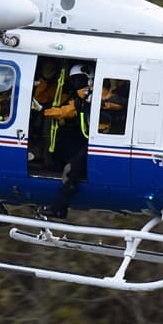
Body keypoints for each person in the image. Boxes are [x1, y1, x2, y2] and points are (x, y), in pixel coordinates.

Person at [37, 63, 94, 219]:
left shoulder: (92, 96)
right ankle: (54, 202)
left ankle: (59, 208)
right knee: (59, 165)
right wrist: (44, 79)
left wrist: (43, 110)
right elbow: (58, 105)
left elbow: (66, 111)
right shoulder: (74, 97)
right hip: (75, 137)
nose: (76, 84)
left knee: (71, 171)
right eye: (73, 80)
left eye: (79, 80)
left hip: (94, 141)